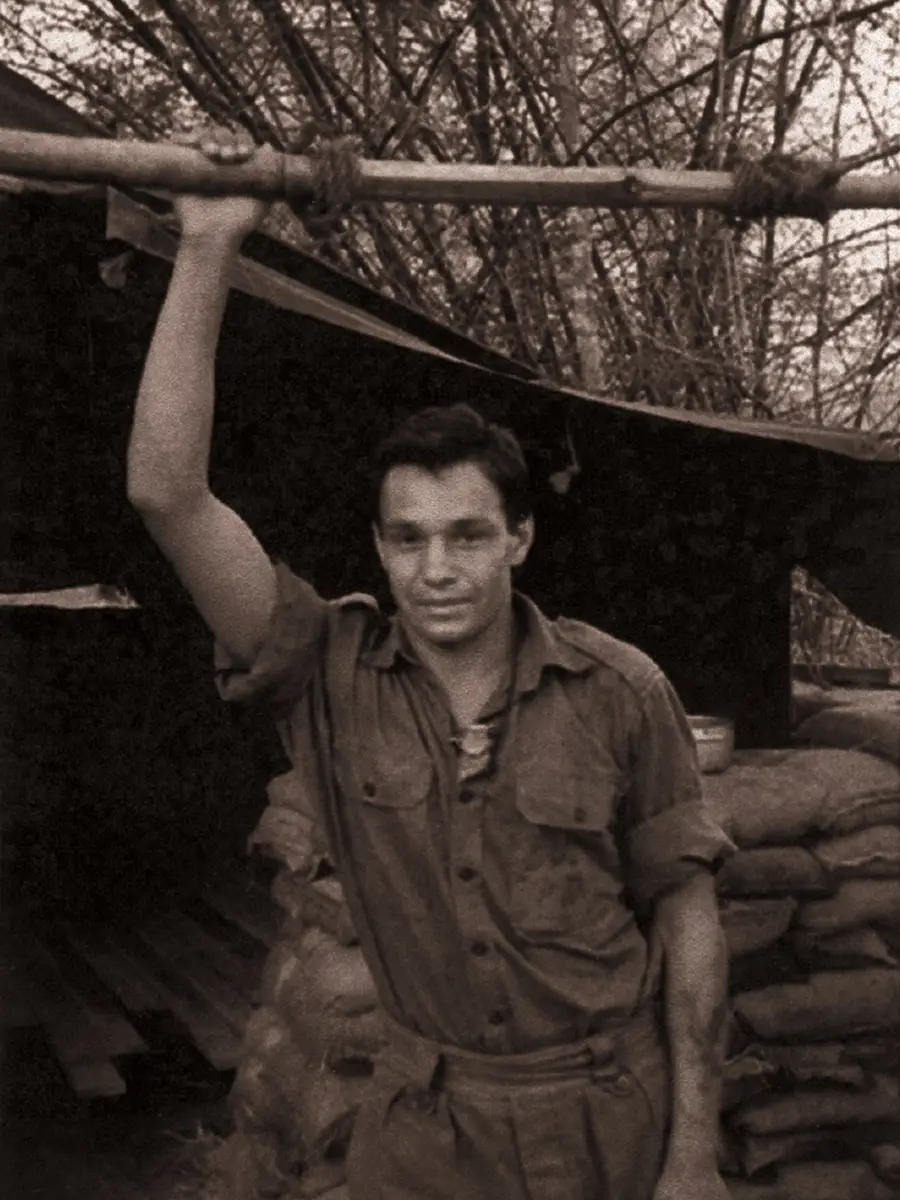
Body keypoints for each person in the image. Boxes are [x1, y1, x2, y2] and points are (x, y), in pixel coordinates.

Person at [127, 126, 736, 1200]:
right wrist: (212, 242)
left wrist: (693, 1149)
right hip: (425, 1132)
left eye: (467, 535)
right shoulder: (326, 673)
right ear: (378, 546)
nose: (437, 569)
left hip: (608, 1116)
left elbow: (687, 920)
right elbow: (167, 494)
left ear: (520, 540)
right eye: (408, 539)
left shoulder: (620, 690)